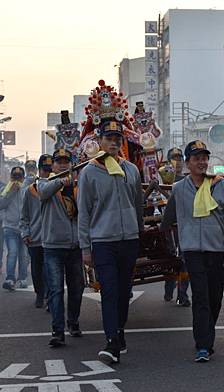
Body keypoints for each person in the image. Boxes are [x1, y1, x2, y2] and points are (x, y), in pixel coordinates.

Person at [161, 140, 224, 363]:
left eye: (204, 158)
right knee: (201, 297)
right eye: (196, 158)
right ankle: (203, 345)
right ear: (187, 163)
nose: (202, 162)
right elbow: (169, 218)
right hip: (192, 250)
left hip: (218, 250)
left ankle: (206, 334)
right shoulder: (179, 189)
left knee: (215, 298)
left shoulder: (222, 187)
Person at [78, 120, 143, 364]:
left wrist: (139, 234)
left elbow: (138, 206)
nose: (114, 142)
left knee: (124, 292)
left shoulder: (132, 170)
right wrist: (85, 247)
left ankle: (119, 331)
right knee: (110, 292)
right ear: (100, 142)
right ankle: (111, 341)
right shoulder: (89, 172)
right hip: (103, 241)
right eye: (109, 138)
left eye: (118, 138)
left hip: (129, 241)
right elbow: (84, 212)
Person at [39, 149, 84, 347]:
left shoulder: (79, 186)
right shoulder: (43, 183)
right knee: (56, 290)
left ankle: (73, 322)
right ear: (53, 165)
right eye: (59, 161)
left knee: (77, 288)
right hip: (53, 246)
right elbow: (43, 193)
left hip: (75, 246)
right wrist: (59, 181)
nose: (63, 164)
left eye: (67, 161)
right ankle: (58, 331)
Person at [20, 154, 53, 308]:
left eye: (50, 169)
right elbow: (24, 215)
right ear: (40, 171)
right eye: (45, 170)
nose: (48, 173)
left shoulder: (57, 188)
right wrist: (25, 232)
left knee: (50, 269)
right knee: (36, 269)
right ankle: (40, 294)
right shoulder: (30, 191)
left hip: (52, 238)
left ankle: (50, 296)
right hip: (35, 237)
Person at [163, 146, 191, 307]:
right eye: (174, 158)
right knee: (169, 258)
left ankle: (183, 294)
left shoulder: (188, 180)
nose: (178, 161)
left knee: (185, 261)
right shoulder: (160, 179)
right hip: (167, 226)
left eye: (180, 158)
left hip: (185, 225)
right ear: (168, 161)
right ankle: (169, 286)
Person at [0, 166, 29, 291]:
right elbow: (0, 205)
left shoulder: (27, 190)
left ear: (23, 177)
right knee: (12, 252)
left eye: (19, 176)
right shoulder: (4, 189)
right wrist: (11, 192)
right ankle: (10, 278)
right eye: (14, 176)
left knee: (24, 255)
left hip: (24, 228)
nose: (17, 178)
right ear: (11, 177)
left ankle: (22, 278)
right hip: (9, 227)